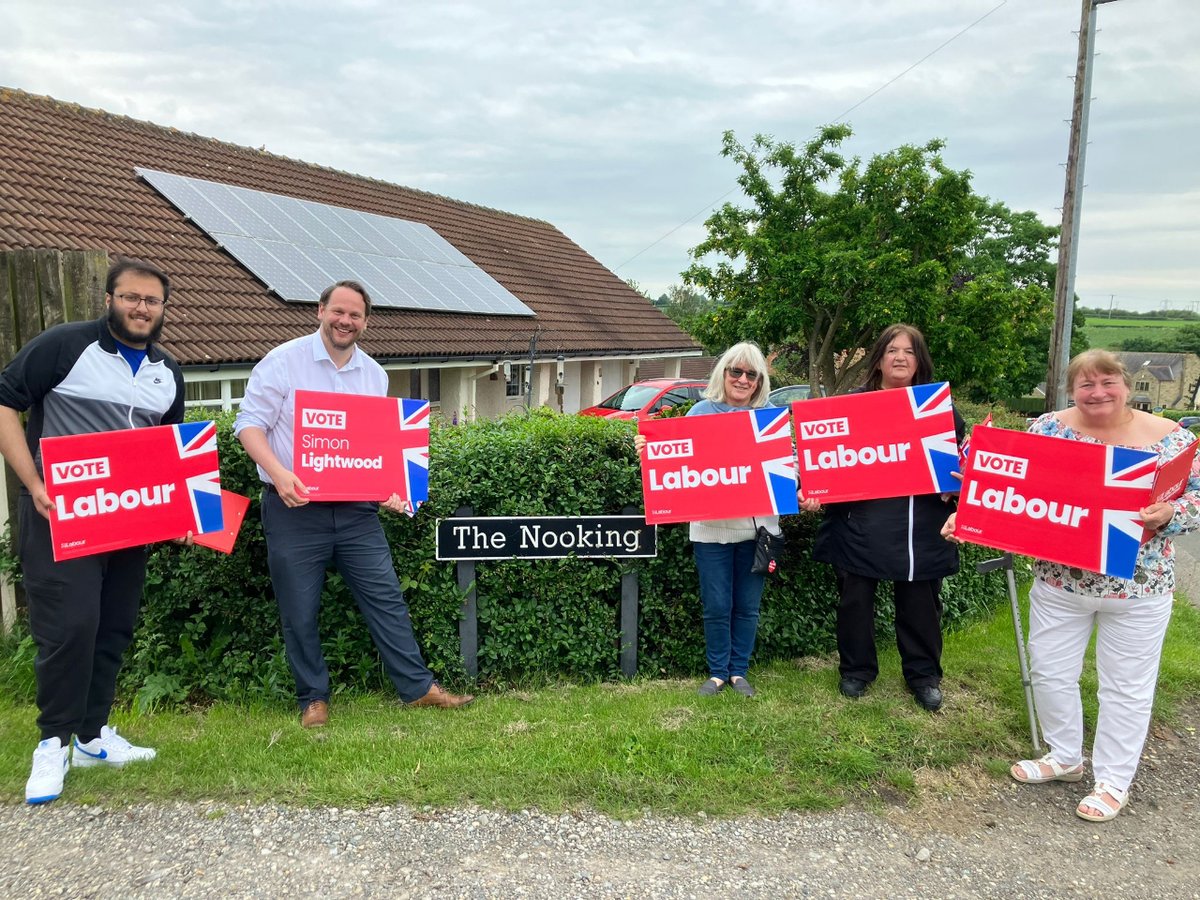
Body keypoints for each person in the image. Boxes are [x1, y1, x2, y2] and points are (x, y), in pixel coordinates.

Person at [943, 349, 1200, 822]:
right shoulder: (1047, 429)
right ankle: (1064, 757)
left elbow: (1197, 499)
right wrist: (972, 510)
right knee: (1049, 672)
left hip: (1138, 589)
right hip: (1060, 581)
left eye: (1107, 382)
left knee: (1125, 688)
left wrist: (1172, 513)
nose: (1098, 392)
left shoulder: (1173, 439)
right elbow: (1016, 490)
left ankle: (1113, 780)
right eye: (1086, 385)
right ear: (1071, 389)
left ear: (1124, 384)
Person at [234, 280, 473, 727]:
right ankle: (313, 699)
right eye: (338, 311)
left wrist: (389, 490)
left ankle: (418, 689)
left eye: (355, 315)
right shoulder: (282, 362)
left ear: (366, 321)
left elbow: (367, 450)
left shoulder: (373, 374)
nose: (345, 321)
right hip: (293, 508)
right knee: (299, 609)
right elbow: (249, 424)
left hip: (355, 513)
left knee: (386, 599)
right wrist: (280, 473)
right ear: (320, 311)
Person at [0, 258, 186, 804]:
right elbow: (6, 403)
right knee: (70, 630)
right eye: (131, 297)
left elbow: (167, 455)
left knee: (112, 628)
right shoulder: (64, 346)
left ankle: (91, 736)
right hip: (64, 522)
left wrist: (178, 515)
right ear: (109, 299)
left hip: (131, 523)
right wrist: (33, 483)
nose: (141, 308)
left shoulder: (167, 371)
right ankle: (52, 744)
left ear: (161, 309)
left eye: (151, 301)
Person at [801, 324, 964, 712]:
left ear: (919, 360)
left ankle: (923, 676)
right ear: (878, 359)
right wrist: (813, 489)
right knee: (855, 601)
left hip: (919, 525)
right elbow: (825, 461)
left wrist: (959, 486)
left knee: (921, 605)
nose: (900, 357)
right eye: (892, 350)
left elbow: (959, 465)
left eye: (908, 351)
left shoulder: (939, 409)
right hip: (860, 524)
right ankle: (856, 670)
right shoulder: (850, 404)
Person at [637, 342, 780, 697]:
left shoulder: (770, 416)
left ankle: (738, 672)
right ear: (724, 373)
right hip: (710, 530)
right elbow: (675, 460)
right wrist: (649, 453)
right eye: (737, 371)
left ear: (760, 380)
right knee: (717, 605)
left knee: (747, 606)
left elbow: (786, 467)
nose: (743, 379)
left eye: (751, 374)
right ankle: (717, 672)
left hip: (758, 530)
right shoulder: (701, 411)